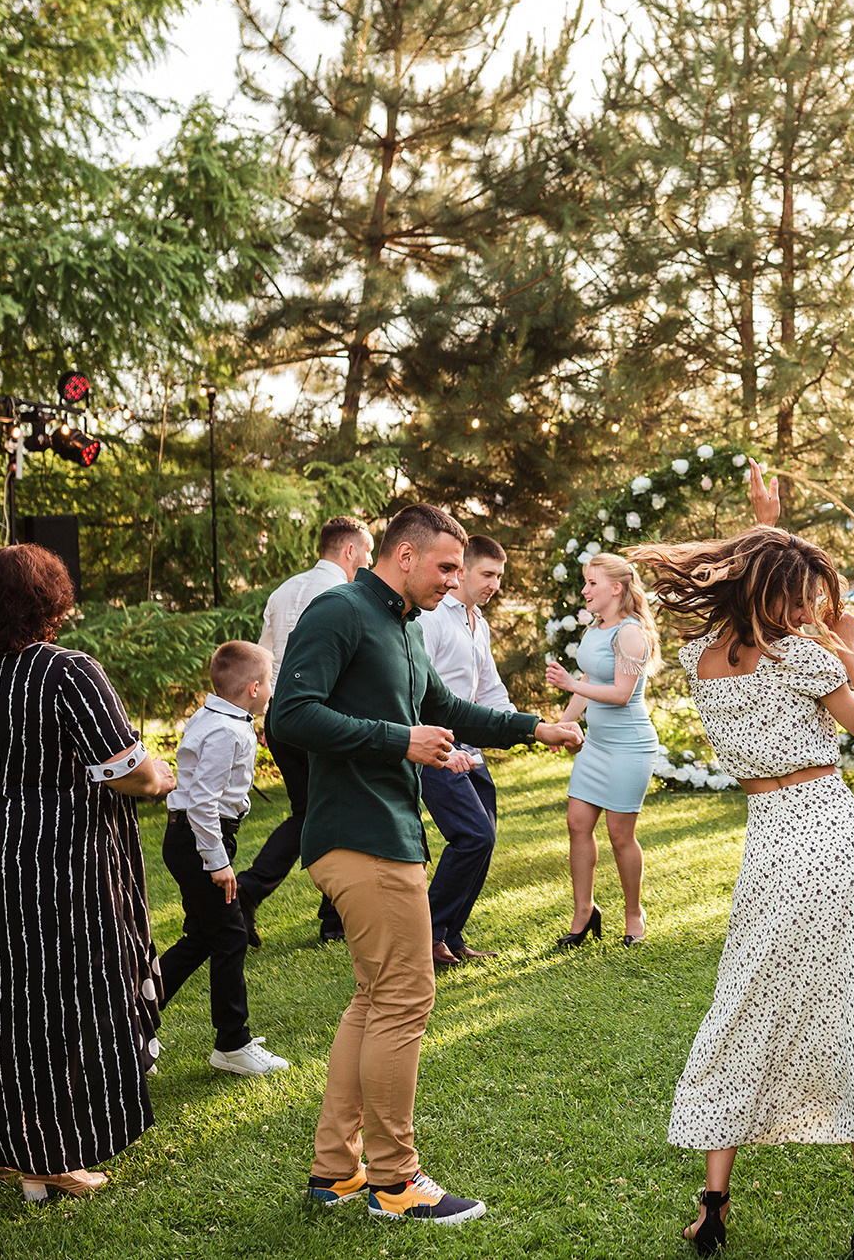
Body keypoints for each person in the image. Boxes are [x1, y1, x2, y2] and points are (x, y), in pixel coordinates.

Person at [269, 503, 582, 1225]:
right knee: (406, 999)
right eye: (445, 566)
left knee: (376, 998)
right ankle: (395, 1178)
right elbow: (289, 713)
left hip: (388, 834)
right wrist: (397, 738)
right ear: (403, 556)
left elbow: (452, 707)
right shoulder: (340, 610)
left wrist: (535, 727)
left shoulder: (404, 626)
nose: (454, 579)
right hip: (360, 835)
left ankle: (335, 1171)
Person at [628, 461, 854, 1259]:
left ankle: (712, 1206)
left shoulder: (702, 661)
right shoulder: (805, 658)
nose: (815, 609)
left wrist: (767, 519)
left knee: (745, 1001)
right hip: (826, 822)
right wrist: (850, 648)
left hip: (770, 836)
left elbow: (765, 570)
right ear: (780, 593)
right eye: (807, 596)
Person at [0, 544, 178, 1202]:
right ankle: (48, 1157)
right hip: (53, 863)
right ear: (51, 603)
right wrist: (160, 779)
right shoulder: (65, 670)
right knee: (56, 999)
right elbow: (124, 766)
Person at [237, 516, 374, 946]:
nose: (368, 562)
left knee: (310, 811)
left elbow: (263, 658)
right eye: (367, 552)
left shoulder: (283, 591)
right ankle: (323, 915)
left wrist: (263, 716)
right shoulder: (344, 596)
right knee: (336, 810)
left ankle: (313, 911)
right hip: (321, 721)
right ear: (349, 550)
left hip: (282, 716)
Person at [156, 641, 290, 1075]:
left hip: (194, 838)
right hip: (198, 841)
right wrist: (217, 862)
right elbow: (201, 803)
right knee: (231, 936)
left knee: (203, 937)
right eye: (268, 682)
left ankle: (128, 1023)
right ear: (254, 688)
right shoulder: (226, 731)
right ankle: (232, 1044)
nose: (270, 688)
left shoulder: (218, 716)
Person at [545, 551, 663, 947]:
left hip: (630, 748)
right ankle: (584, 913)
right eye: (585, 582)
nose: (584, 590)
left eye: (592, 583)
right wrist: (563, 723)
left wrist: (571, 686)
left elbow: (619, 693)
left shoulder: (630, 633)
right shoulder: (595, 628)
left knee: (619, 834)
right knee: (578, 824)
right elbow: (589, 677)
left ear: (616, 588)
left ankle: (634, 915)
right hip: (595, 746)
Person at [414, 534, 514, 966]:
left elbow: (489, 688)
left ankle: (451, 937)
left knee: (484, 840)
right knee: (472, 835)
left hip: (471, 749)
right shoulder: (431, 619)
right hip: (436, 747)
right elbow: (414, 691)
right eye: (488, 574)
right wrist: (429, 743)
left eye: (499, 577)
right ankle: (427, 935)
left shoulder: (479, 623)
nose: (494, 585)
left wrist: (525, 728)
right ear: (463, 570)